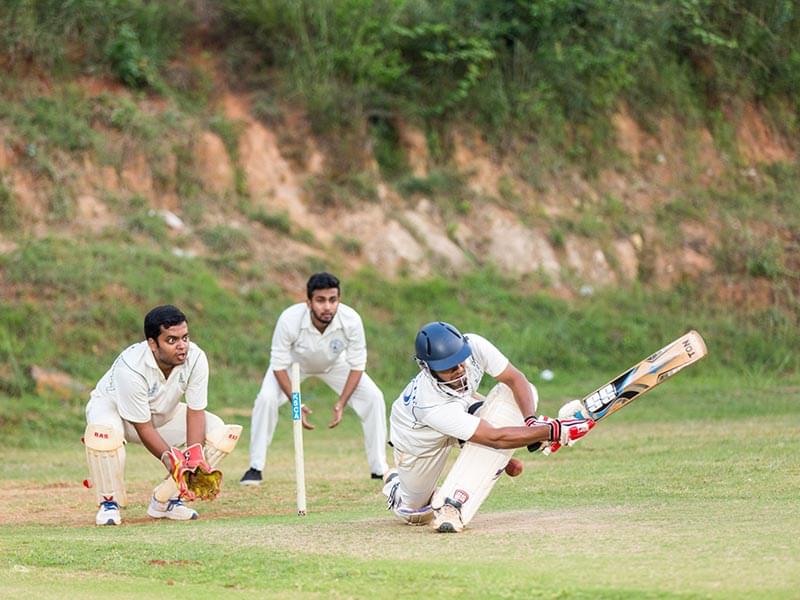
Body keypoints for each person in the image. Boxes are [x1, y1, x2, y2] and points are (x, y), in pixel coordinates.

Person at [383, 321, 594, 533]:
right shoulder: (428, 405)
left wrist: (531, 422)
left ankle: (454, 503)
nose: (459, 370)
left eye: (460, 361)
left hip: (460, 407)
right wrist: (553, 431)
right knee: (416, 514)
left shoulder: (475, 346)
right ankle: (394, 483)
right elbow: (495, 437)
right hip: (418, 441)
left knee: (522, 393)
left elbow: (514, 378)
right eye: (449, 368)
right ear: (427, 368)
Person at [83, 305, 242, 526]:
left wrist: (193, 460)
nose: (182, 346)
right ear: (152, 343)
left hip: (161, 414)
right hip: (114, 412)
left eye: (185, 337)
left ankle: (166, 500)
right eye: (171, 340)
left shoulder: (196, 358)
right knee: (104, 436)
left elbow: (196, 412)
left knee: (220, 433)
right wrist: (172, 461)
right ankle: (108, 503)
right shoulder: (131, 368)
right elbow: (143, 427)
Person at [240, 272, 388, 485]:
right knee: (266, 399)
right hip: (293, 365)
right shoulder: (289, 319)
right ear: (308, 302)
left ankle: (379, 468)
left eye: (332, 300)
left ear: (339, 300)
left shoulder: (351, 320)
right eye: (320, 300)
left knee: (374, 397)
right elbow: (279, 365)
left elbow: (357, 365)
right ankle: (255, 468)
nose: (327, 307)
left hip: (336, 364)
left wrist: (341, 403)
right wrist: (296, 405)